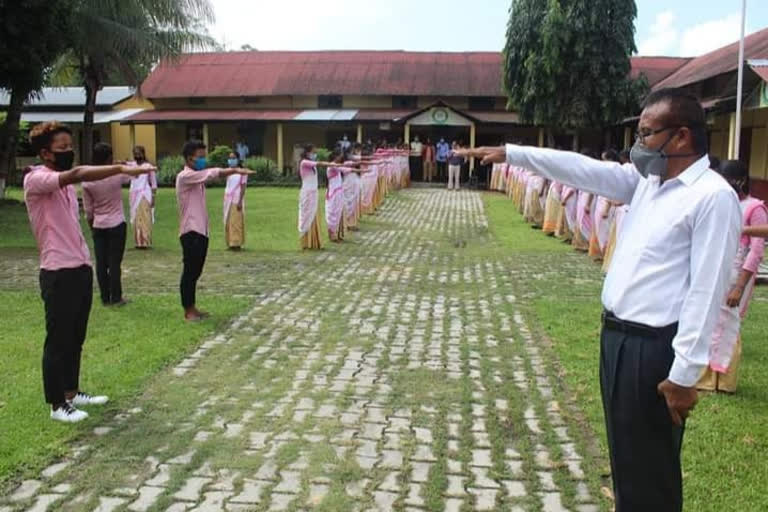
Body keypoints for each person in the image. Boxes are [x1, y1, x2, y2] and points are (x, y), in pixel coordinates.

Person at [460, 88, 741, 512]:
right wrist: (513, 153)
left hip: (655, 349)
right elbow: (584, 169)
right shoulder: (648, 183)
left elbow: (707, 289)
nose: (639, 144)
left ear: (681, 137)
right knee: (627, 458)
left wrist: (685, 375)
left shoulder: (711, 197)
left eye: (646, 134)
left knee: (650, 468)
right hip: (619, 339)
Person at [24, 121, 152, 422]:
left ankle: (71, 391)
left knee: (75, 337)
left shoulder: (63, 185)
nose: (69, 152)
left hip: (80, 266)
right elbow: (80, 173)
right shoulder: (37, 179)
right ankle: (57, 405)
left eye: (71, 146)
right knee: (58, 339)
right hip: (58, 271)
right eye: (63, 148)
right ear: (45, 153)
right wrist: (123, 169)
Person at [699, 159, 767, 393]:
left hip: (739, 273)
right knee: (712, 321)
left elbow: (756, 250)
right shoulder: (723, 202)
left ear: (741, 181)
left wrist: (740, 286)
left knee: (728, 323)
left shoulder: (755, 208)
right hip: (719, 270)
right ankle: (707, 378)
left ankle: (724, 381)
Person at [177, 140, 253, 322]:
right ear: (189, 158)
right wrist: (234, 170)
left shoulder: (196, 176)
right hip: (191, 231)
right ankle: (188, 310)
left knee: (196, 272)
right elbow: (211, 174)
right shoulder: (185, 176)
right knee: (190, 272)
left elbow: (207, 174)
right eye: (200, 157)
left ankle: (193, 306)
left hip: (201, 231)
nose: (204, 161)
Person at [82, 142, 131, 307]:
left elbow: (88, 210)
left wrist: (92, 225)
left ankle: (105, 297)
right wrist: (121, 163)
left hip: (98, 224)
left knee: (101, 263)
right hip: (117, 222)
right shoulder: (115, 174)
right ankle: (116, 297)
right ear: (109, 157)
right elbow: (132, 171)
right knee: (115, 262)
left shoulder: (88, 180)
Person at [127, 146, 157, 249]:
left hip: (145, 194)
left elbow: (153, 184)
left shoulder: (148, 166)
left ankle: (145, 242)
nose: (137, 155)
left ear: (143, 154)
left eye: (139, 153)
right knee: (136, 218)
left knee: (144, 218)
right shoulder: (131, 165)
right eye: (135, 153)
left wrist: (153, 197)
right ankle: (138, 242)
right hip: (133, 194)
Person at [223, 152, 248, 250]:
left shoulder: (243, 172)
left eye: (233, 158)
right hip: (227, 200)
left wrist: (240, 201)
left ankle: (236, 243)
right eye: (230, 158)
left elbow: (243, 187)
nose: (231, 160)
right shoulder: (228, 172)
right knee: (228, 221)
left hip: (237, 199)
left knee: (236, 221)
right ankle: (230, 242)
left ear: (238, 159)